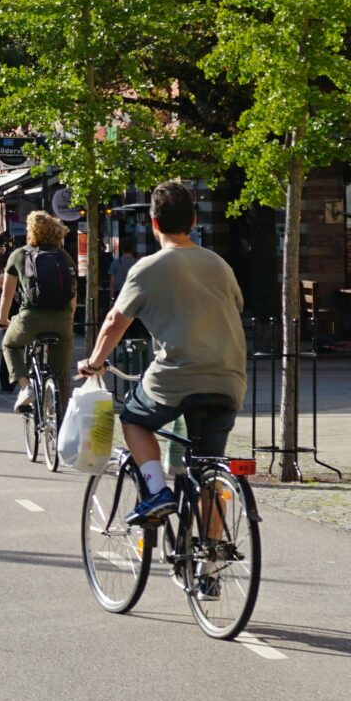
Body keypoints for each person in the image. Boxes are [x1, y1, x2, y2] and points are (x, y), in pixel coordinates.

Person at [76, 180, 246, 526]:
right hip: (229, 379)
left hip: (177, 377)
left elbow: (114, 322)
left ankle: (156, 491)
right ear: (194, 222)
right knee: (209, 468)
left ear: (154, 223)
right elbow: (237, 306)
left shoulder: (148, 267)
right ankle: (209, 568)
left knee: (134, 419)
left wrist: (94, 363)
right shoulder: (219, 265)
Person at [0, 213, 75, 414]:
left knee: (9, 344)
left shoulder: (19, 255)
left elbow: (7, 295)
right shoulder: (64, 256)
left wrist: (2, 319)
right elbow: (73, 295)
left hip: (30, 318)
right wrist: (69, 319)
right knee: (61, 373)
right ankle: (63, 421)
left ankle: (26, 387)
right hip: (62, 320)